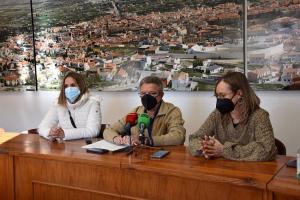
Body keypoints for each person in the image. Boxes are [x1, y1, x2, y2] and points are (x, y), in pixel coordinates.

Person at [189, 71, 277, 161]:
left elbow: (267, 149)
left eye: (222, 95)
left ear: (239, 93)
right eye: (217, 96)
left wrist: (223, 150)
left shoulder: (260, 116)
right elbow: (194, 138)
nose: (219, 100)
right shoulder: (217, 114)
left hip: (251, 171)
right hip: (223, 170)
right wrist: (206, 147)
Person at [103, 76, 186, 146]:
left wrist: (146, 140)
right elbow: (109, 130)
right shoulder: (135, 111)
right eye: (143, 93)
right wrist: (117, 138)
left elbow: (178, 137)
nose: (147, 97)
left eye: (152, 93)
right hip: (138, 157)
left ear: (161, 95)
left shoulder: (172, 111)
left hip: (162, 158)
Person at [38, 72, 102, 141]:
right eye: (66, 86)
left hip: (86, 148)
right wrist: (50, 132)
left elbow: (93, 131)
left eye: (73, 85)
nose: (69, 89)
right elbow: (42, 127)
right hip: (64, 147)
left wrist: (65, 134)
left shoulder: (93, 102)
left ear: (81, 86)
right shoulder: (58, 103)